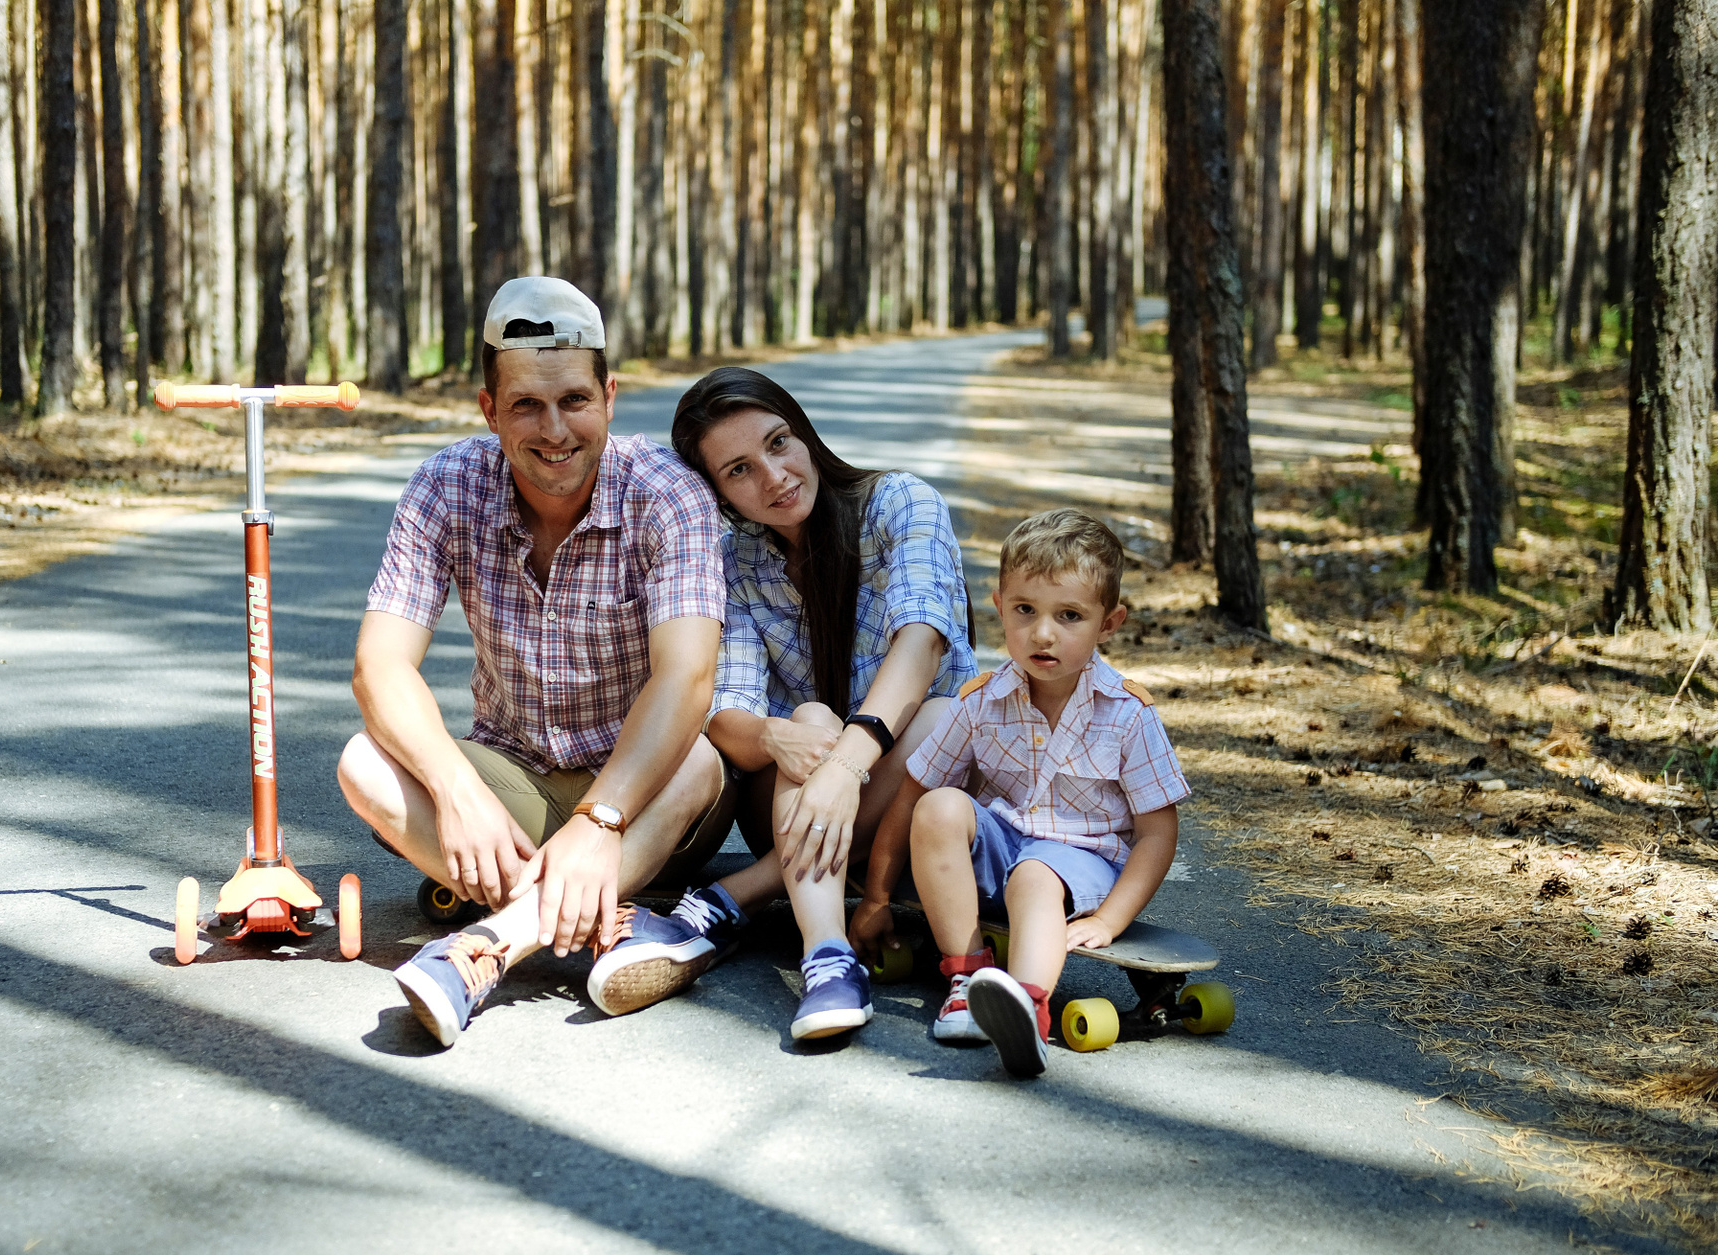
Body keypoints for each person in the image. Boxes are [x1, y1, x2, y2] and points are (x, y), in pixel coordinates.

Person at [337, 277, 736, 1048]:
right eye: (526, 405)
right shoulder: (446, 485)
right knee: (364, 763)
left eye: (575, 400)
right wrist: (456, 791)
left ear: (609, 398)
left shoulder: (668, 495)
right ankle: (610, 922)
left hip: (648, 796)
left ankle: (492, 945)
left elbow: (686, 679)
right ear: (490, 410)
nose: (555, 431)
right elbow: (379, 666)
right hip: (514, 784)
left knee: (700, 760)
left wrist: (599, 820)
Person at [600, 366, 977, 1042]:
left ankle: (735, 897)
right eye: (739, 470)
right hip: (794, 805)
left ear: (803, 433)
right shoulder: (735, 559)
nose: (774, 477)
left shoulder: (900, 503)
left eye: (778, 443)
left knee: (950, 715)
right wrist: (777, 739)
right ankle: (828, 958)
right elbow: (726, 716)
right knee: (804, 720)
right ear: (718, 493)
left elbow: (922, 643)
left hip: (920, 803)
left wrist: (845, 770)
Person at [858, 508, 1190, 1077]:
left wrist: (1111, 920)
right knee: (938, 805)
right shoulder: (980, 701)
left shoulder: (1128, 715)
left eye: (1069, 615)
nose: (1042, 633)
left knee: (1036, 875)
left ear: (1108, 623)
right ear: (1000, 607)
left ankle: (1028, 1008)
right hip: (1003, 848)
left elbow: (1158, 834)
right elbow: (911, 796)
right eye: (1025, 610)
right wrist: (876, 899)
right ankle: (966, 979)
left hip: (1080, 864)